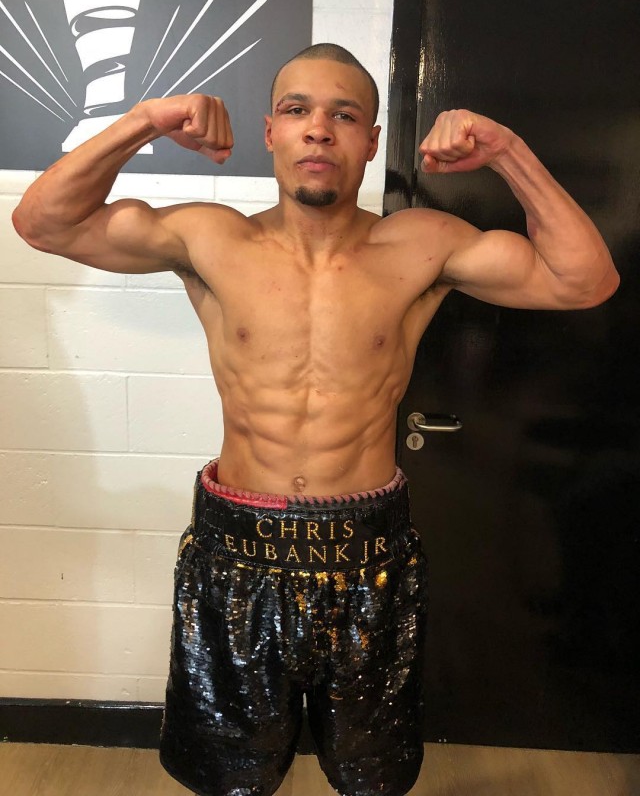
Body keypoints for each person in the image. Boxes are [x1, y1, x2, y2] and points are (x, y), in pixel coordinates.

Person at [12, 43, 618, 796]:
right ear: (271, 132)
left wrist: (507, 152)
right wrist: (145, 121)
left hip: (369, 554)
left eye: (345, 115)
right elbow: (42, 222)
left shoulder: (423, 244)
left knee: (372, 773)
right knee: (229, 773)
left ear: (370, 141)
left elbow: (584, 281)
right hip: (237, 553)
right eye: (297, 110)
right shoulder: (211, 237)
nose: (319, 129)